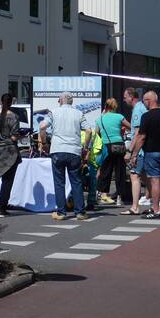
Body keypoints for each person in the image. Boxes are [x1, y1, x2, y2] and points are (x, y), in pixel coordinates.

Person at [40, 91, 93, 221]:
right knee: (76, 181)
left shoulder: (53, 112)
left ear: (61, 100)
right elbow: (89, 130)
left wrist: (44, 143)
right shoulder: (79, 113)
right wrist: (85, 148)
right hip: (74, 151)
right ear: (71, 101)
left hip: (57, 149)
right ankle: (80, 212)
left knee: (59, 183)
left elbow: (42, 126)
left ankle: (61, 212)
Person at [127, 90, 160, 219]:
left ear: (149, 101)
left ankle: (156, 210)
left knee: (155, 181)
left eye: (145, 101)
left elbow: (141, 137)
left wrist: (134, 154)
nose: (144, 104)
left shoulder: (147, 116)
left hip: (152, 151)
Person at [96, 97, 130, 205]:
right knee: (120, 172)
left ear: (105, 107)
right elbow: (130, 127)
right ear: (115, 107)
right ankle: (120, 197)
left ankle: (104, 194)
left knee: (106, 171)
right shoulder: (119, 117)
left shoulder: (100, 119)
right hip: (119, 145)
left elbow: (96, 133)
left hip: (107, 146)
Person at [121, 87, 150, 216]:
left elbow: (138, 133)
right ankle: (157, 201)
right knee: (145, 176)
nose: (124, 100)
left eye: (125, 97)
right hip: (144, 149)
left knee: (135, 176)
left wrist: (131, 151)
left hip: (140, 149)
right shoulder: (141, 108)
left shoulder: (137, 109)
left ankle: (135, 206)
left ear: (131, 97)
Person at [81, 127, 103, 210]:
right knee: (91, 181)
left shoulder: (88, 132)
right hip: (90, 159)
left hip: (89, 159)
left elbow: (89, 148)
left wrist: (86, 157)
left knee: (90, 180)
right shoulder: (91, 132)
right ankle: (90, 202)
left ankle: (89, 202)